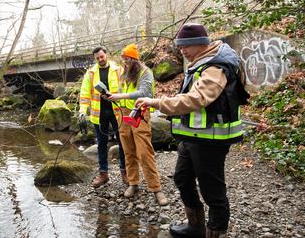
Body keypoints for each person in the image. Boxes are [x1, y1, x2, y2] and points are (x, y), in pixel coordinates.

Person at [135, 23, 250, 238]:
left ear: (199, 44)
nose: (181, 51)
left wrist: (157, 103)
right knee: (182, 179)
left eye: (184, 47)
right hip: (191, 136)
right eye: (180, 48)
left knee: (212, 190)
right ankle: (195, 226)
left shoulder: (216, 67)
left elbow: (196, 99)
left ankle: (215, 232)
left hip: (210, 139)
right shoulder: (200, 63)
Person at [107, 44, 169, 206]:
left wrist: (121, 96)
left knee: (144, 152)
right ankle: (133, 183)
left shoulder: (145, 72)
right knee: (128, 151)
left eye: (127, 60)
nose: (125, 63)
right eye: (123, 60)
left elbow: (145, 93)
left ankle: (156, 188)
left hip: (140, 113)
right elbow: (120, 90)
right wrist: (114, 98)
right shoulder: (124, 73)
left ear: (134, 59)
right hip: (124, 114)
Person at [78, 46, 127, 188]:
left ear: (107, 55)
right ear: (95, 58)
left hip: (117, 112)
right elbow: (85, 93)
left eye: (102, 56)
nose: (100, 59)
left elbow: (125, 89)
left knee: (122, 142)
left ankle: (124, 171)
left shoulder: (118, 70)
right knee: (101, 144)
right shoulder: (91, 73)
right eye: (97, 58)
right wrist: (82, 111)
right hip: (98, 114)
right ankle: (103, 174)